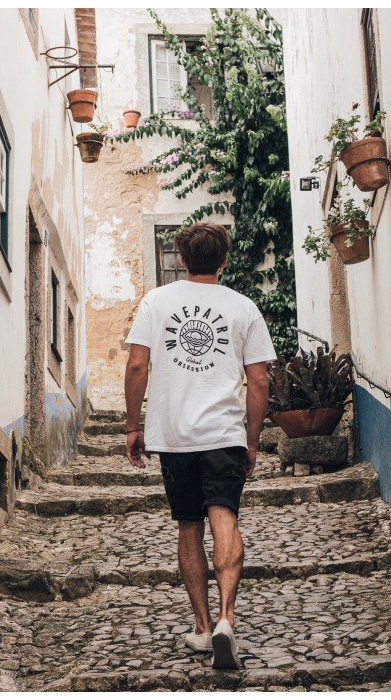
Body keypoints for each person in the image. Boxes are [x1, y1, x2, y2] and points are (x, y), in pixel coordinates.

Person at [122, 222, 274, 670]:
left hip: (174, 436)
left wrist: (134, 427)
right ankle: (228, 618)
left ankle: (204, 628)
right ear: (225, 259)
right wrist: (251, 441)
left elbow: (136, 366)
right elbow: (261, 380)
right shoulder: (243, 308)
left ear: (182, 261)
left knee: (189, 525)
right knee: (224, 519)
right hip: (223, 434)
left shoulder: (156, 302)